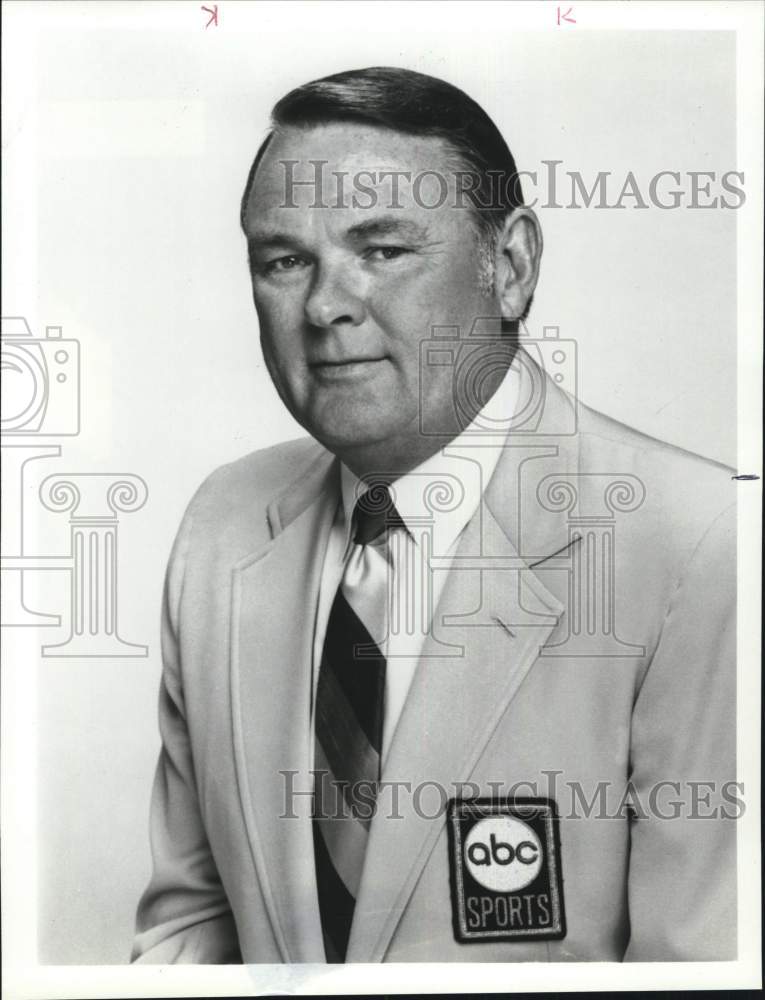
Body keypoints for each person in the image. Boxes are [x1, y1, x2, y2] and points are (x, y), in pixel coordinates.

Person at [131, 67, 737, 964]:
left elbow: (702, 972)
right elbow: (188, 929)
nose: (327, 305)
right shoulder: (223, 527)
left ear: (512, 267)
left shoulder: (698, 541)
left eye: (382, 250)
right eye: (284, 260)